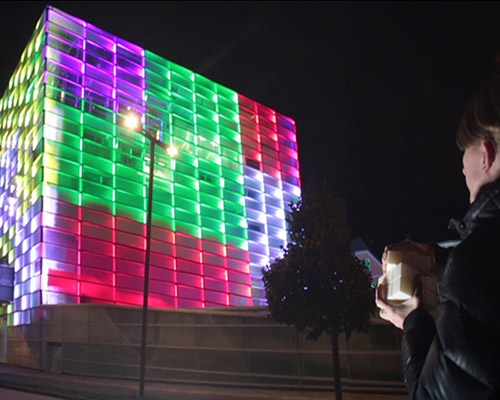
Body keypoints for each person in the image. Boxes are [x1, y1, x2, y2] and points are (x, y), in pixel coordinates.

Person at [376, 75, 500, 400]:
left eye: (465, 153)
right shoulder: (482, 259)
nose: (462, 169)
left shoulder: (478, 260)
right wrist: (435, 260)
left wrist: (411, 321)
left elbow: (431, 395)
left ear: (485, 154)